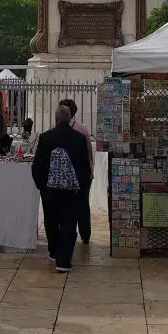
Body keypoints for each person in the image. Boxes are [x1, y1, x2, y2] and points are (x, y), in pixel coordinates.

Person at [32, 104, 91, 272]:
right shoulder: (78, 138)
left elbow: (38, 165)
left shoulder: (45, 137)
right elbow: (84, 166)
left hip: (50, 189)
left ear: (56, 119)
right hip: (71, 190)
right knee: (68, 223)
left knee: (51, 220)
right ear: (70, 118)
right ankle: (63, 261)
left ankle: (53, 252)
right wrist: (82, 188)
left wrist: (41, 185)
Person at [60, 98, 93, 245]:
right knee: (83, 204)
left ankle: (68, 233)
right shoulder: (82, 129)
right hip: (82, 174)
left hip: (64, 176)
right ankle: (85, 234)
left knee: (65, 205)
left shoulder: (54, 128)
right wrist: (90, 171)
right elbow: (89, 152)